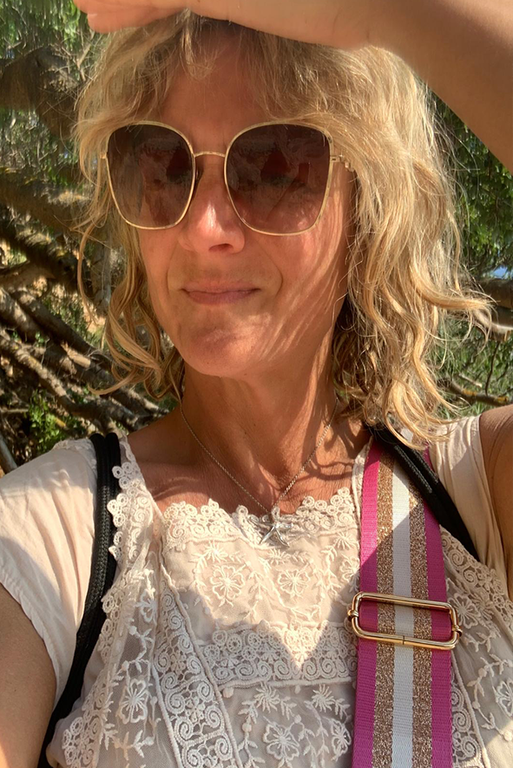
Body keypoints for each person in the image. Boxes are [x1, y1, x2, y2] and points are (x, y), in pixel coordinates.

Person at [0, 1, 511, 766]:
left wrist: (387, 9)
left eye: (275, 168)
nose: (203, 226)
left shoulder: (479, 494)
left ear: (365, 202)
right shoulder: (49, 537)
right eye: (162, 165)